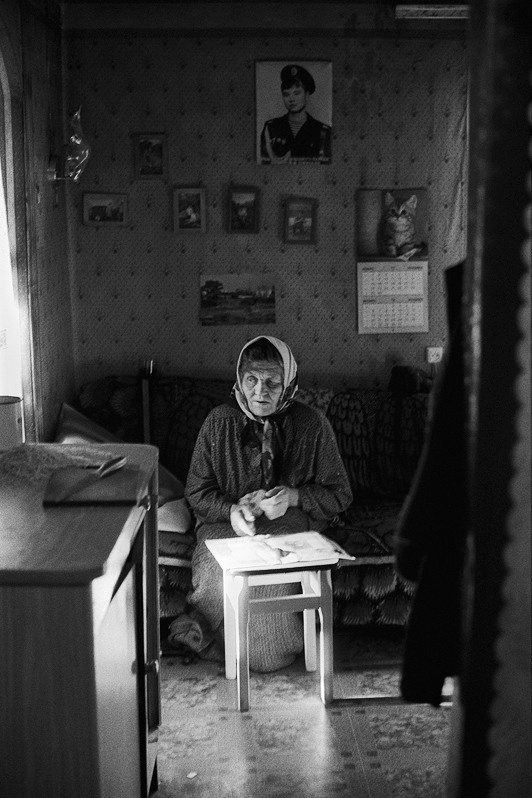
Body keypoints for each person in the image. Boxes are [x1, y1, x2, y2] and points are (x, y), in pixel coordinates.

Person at [184, 335, 352, 672]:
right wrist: (231, 511)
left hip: (289, 528)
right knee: (217, 575)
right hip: (225, 527)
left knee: (266, 584)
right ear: (240, 379)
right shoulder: (219, 422)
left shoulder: (312, 425)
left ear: (288, 383)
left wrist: (294, 497)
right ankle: (226, 644)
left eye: (272, 382)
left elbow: (340, 495)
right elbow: (197, 492)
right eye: (252, 380)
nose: (260, 391)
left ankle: (262, 650)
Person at [260, 64, 332, 164]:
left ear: (307, 95)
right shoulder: (271, 128)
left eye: (296, 93)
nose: (291, 99)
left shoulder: (323, 132)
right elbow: (262, 163)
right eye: (286, 94)